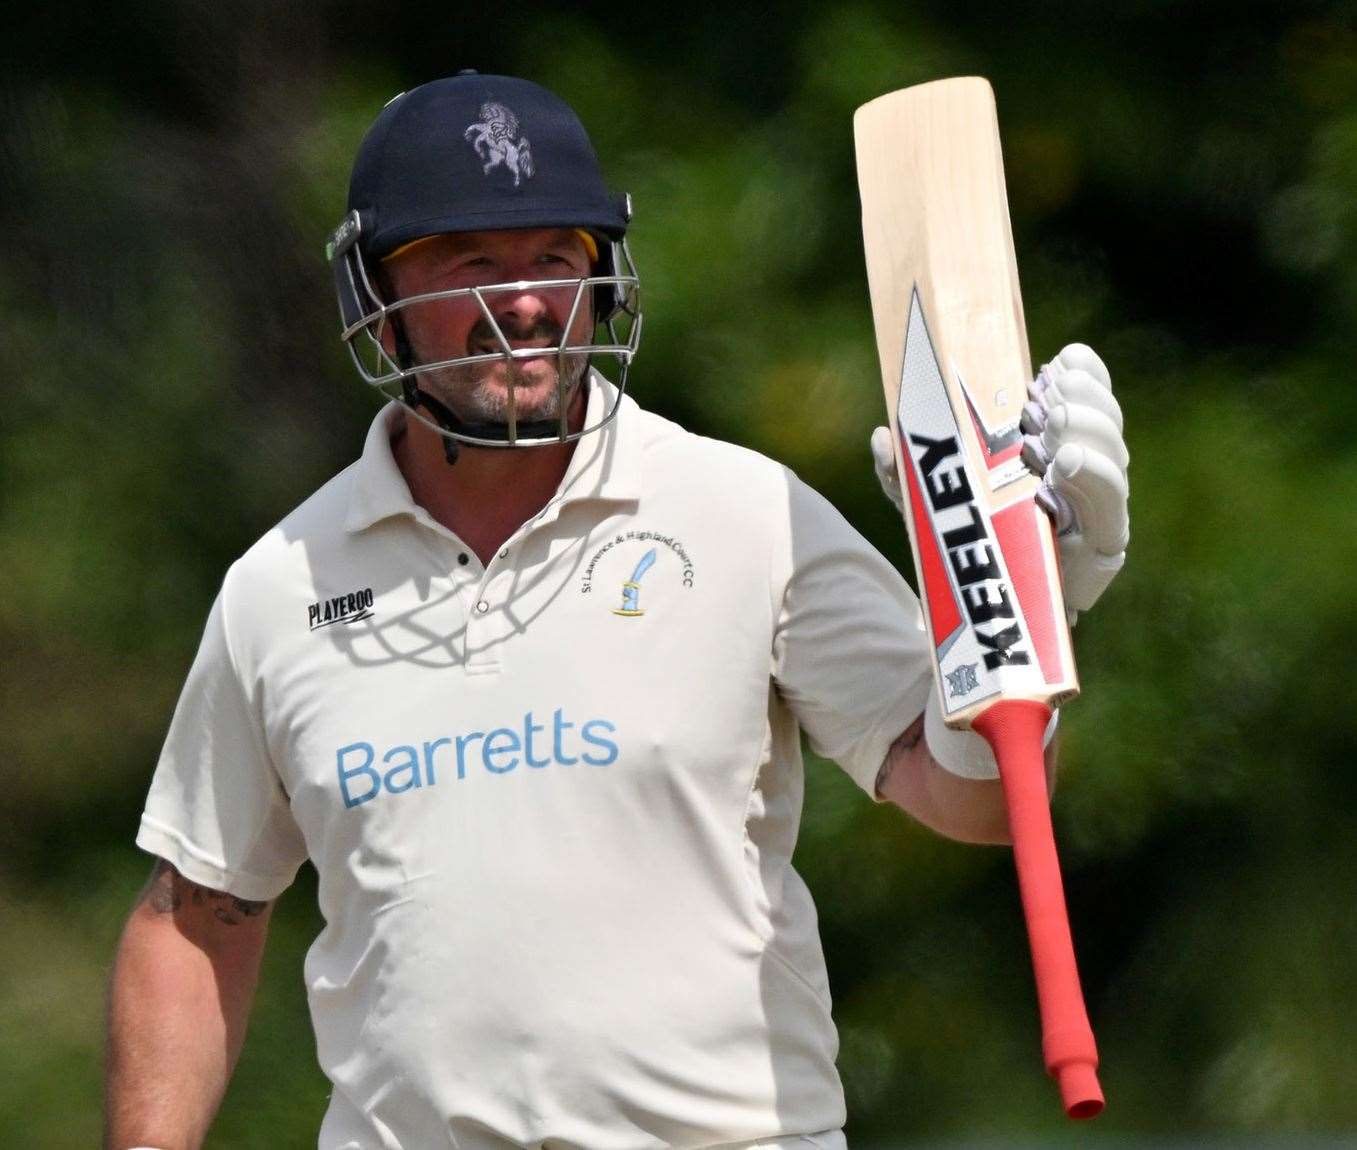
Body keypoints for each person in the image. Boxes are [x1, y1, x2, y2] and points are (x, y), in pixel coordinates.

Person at [104, 72, 1130, 1150]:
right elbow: (196, 914)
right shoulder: (283, 585)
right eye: (474, 263)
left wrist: (1016, 612)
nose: (530, 300)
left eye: (557, 257)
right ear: (374, 298)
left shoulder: (744, 512)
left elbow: (968, 800)